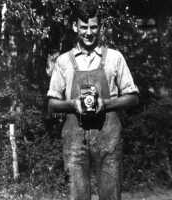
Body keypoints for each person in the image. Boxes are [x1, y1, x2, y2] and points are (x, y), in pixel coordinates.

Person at [47, 1, 139, 200]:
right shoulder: (63, 61)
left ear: (100, 27)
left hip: (109, 139)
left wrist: (106, 104)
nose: (89, 32)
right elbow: (52, 104)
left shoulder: (115, 58)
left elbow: (133, 98)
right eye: (84, 27)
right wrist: (72, 105)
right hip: (75, 141)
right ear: (75, 27)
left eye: (93, 27)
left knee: (111, 195)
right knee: (78, 195)